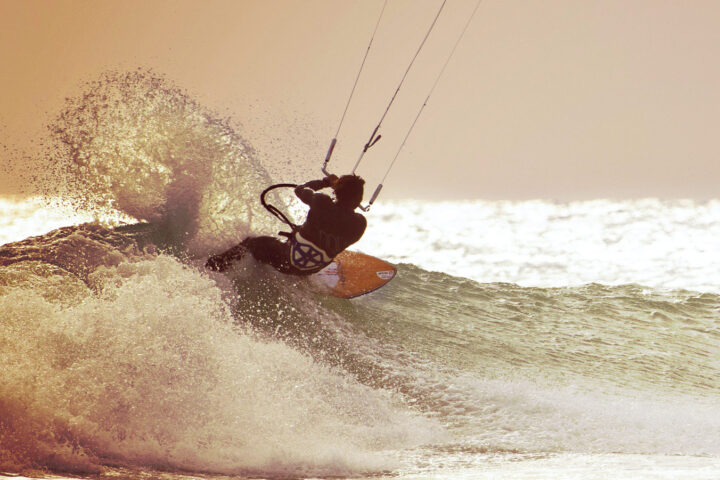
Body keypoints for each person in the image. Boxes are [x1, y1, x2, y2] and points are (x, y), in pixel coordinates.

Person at [206, 174, 367, 275]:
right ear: (359, 200)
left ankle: (212, 267)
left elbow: (300, 189)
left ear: (336, 192)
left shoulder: (321, 201)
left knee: (253, 243)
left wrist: (325, 182)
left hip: (284, 260)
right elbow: (332, 230)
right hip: (308, 271)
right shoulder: (360, 224)